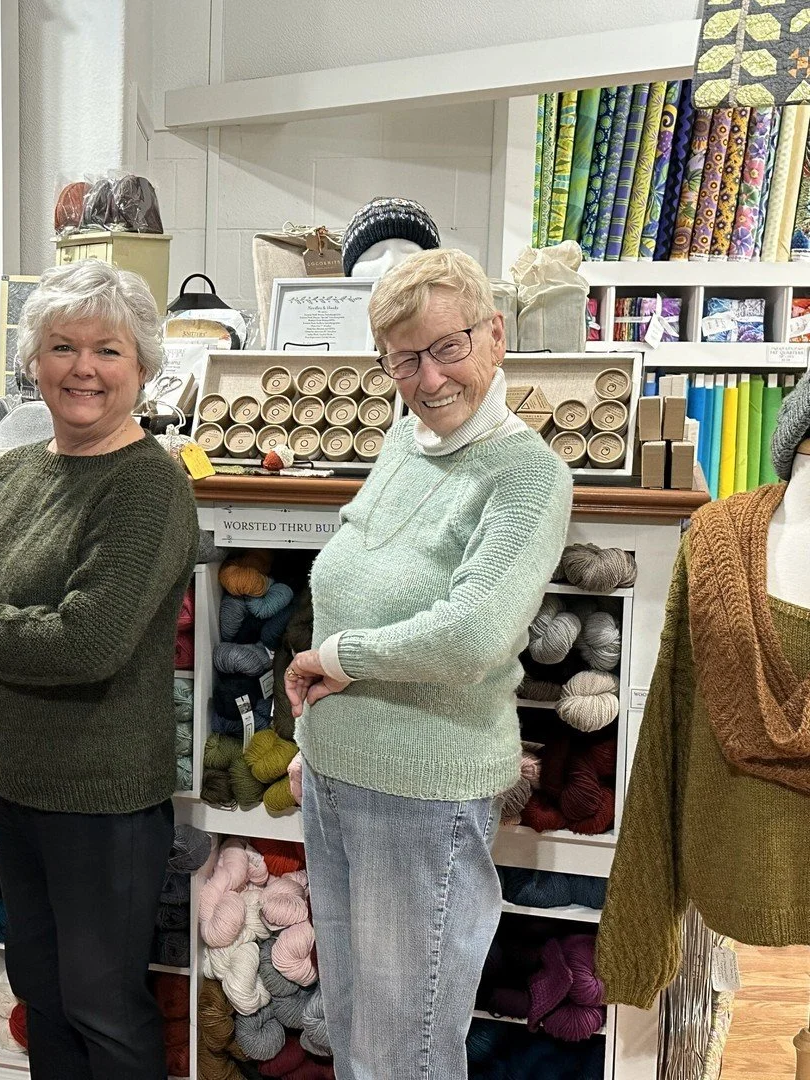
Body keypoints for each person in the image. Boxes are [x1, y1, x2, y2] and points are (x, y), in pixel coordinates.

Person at [284, 247, 573, 1080]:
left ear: (495, 337)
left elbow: (472, 635)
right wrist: (317, 747)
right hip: (340, 776)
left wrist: (342, 658)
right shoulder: (406, 443)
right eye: (404, 358)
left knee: (406, 1049)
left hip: (423, 793)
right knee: (356, 1033)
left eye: (448, 347)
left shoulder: (526, 475)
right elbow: (355, 581)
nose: (429, 376)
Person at [0, 259, 198, 1080]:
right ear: (32, 362)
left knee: (104, 1009)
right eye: (62, 346)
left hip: (104, 798)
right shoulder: (14, 473)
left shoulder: (148, 485)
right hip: (22, 787)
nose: (84, 369)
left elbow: (88, 641)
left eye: (108, 351)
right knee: (44, 992)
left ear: (142, 367)